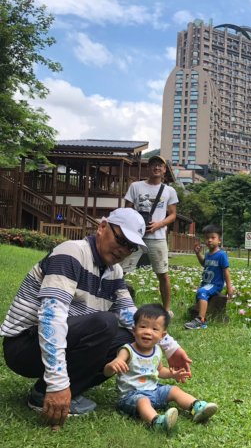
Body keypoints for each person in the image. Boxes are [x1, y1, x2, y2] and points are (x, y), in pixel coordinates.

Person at [0, 208, 192, 430]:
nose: (123, 250)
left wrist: (170, 348)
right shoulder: (71, 253)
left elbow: (132, 315)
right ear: (102, 227)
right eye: (121, 239)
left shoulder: (114, 271)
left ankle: (67, 391)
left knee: (126, 338)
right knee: (106, 323)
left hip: (62, 339)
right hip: (24, 345)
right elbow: (51, 318)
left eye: (131, 247)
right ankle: (46, 392)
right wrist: (57, 382)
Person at [104, 304, 217, 432]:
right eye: (143, 326)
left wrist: (173, 374)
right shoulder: (127, 350)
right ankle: (157, 422)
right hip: (131, 396)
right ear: (134, 330)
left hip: (154, 390)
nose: (148, 331)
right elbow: (107, 372)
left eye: (154, 329)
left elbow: (160, 370)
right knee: (143, 401)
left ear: (162, 335)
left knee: (174, 390)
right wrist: (112, 366)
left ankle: (197, 407)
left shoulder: (157, 350)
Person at [121, 155, 179, 317]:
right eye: (153, 164)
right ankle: (113, 302)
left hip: (158, 237)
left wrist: (158, 224)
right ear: (149, 167)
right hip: (135, 237)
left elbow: (173, 214)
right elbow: (127, 210)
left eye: (160, 165)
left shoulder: (169, 191)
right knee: (121, 271)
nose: (156, 167)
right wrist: (136, 223)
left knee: (162, 273)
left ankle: (166, 310)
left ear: (164, 170)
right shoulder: (136, 186)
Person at [184, 224, 234, 330]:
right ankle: (198, 314)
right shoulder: (207, 254)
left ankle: (201, 321)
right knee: (200, 292)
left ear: (219, 240)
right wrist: (198, 254)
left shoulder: (221, 255)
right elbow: (204, 264)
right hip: (206, 283)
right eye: (207, 238)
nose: (209, 240)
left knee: (202, 292)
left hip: (215, 284)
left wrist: (229, 288)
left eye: (213, 237)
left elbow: (226, 271)